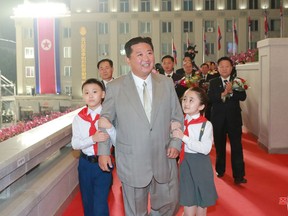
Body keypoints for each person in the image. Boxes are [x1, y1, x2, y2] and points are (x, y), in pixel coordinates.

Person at [97, 36, 184, 216]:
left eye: (149, 53)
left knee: (169, 204)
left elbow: (177, 115)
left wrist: (176, 143)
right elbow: (105, 121)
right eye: (139, 54)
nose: (146, 58)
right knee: (136, 211)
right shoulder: (116, 87)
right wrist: (104, 151)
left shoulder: (166, 83)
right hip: (132, 160)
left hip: (164, 156)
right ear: (128, 60)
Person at [71, 78, 116, 216]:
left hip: (103, 163)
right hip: (85, 164)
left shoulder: (110, 115)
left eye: (94, 92)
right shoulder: (79, 118)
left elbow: (118, 142)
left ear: (103, 94)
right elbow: (75, 144)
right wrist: (93, 139)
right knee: (87, 201)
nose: (90, 96)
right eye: (86, 93)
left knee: (100, 203)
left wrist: (110, 128)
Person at [172, 87, 218, 216]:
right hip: (185, 164)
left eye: (191, 100)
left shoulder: (206, 125)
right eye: (184, 99)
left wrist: (183, 137)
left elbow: (205, 149)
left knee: (201, 203)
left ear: (201, 106)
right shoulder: (180, 122)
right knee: (188, 201)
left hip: (200, 165)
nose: (186, 103)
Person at [207, 56, 247, 184]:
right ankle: (220, 169)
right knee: (220, 146)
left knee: (237, 147)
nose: (224, 69)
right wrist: (224, 93)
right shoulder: (213, 82)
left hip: (234, 119)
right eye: (221, 66)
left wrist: (231, 92)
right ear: (217, 68)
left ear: (231, 68)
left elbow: (243, 97)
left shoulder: (237, 81)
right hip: (218, 119)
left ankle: (239, 176)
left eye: (227, 66)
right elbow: (210, 99)